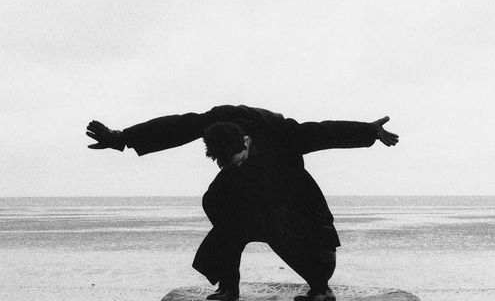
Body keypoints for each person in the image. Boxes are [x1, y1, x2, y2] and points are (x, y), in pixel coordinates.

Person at [86, 105, 398, 301]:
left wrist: (367, 130)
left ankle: (320, 287)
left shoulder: (279, 132)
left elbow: (322, 131)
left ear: (246, 142)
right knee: (222, 209)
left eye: (237, 159)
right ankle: (228, 287)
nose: (232, 165)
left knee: (292, 237)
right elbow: (177, 126)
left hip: (288, 195)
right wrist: (122, 138)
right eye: (224, 164)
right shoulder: (216, 122)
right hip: (246, 197)